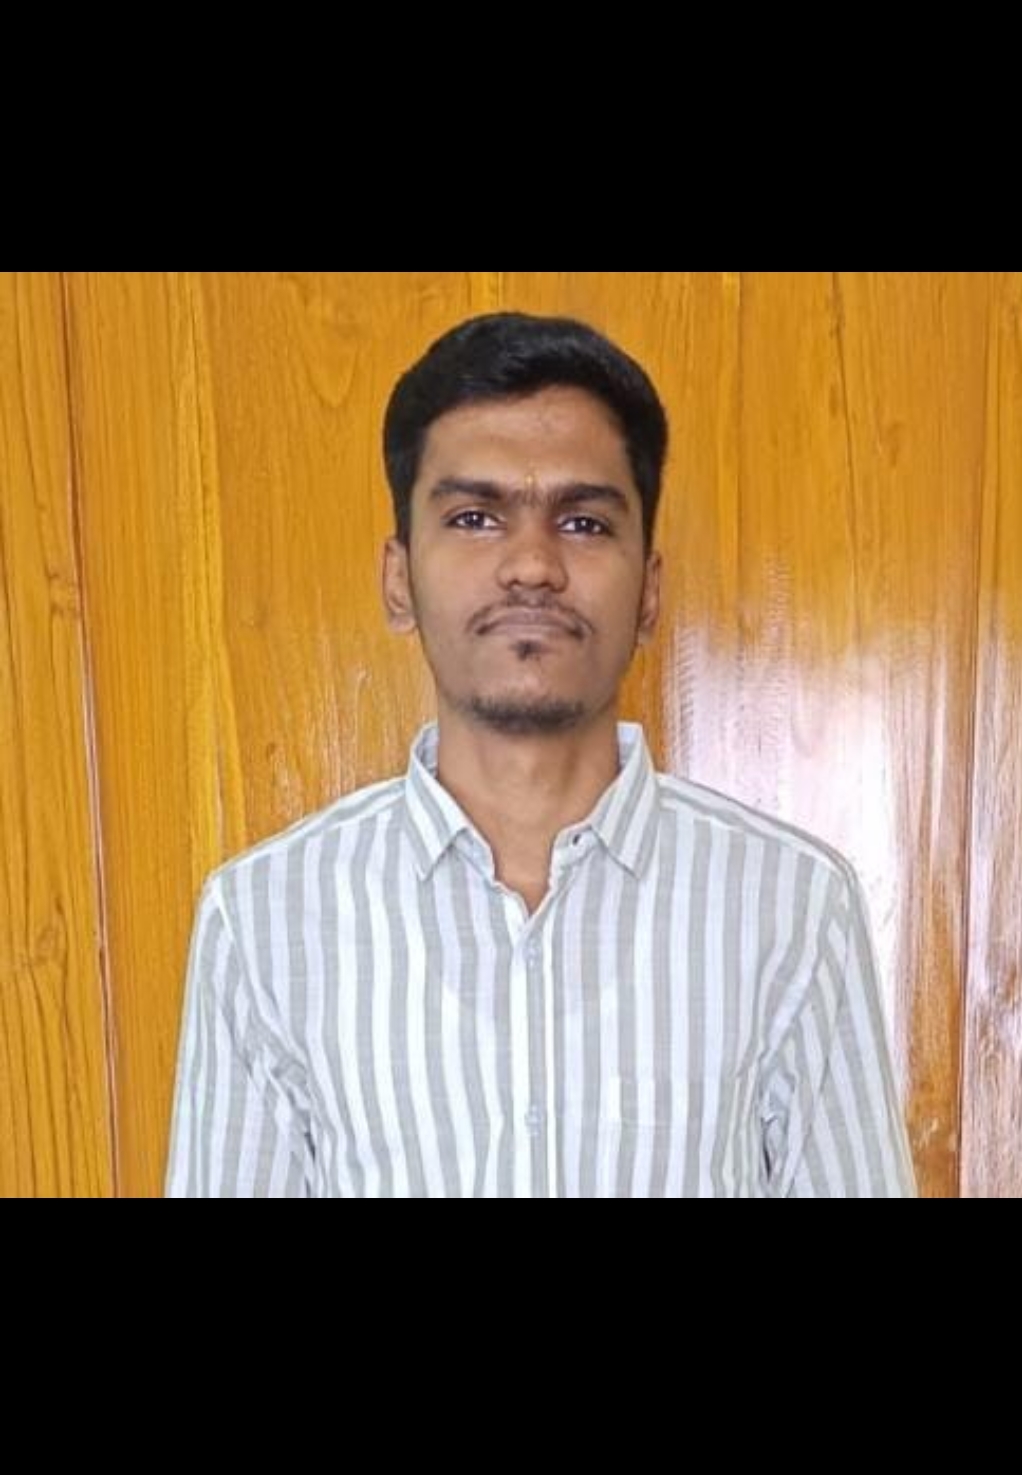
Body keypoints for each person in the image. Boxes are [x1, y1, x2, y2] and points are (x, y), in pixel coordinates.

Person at [166, 311, 918, 1198]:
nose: (532, 566)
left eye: (585, 523)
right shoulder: (264, 920)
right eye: (475, 517)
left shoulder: (790, 906)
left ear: (649, 592)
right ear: (399, 580)